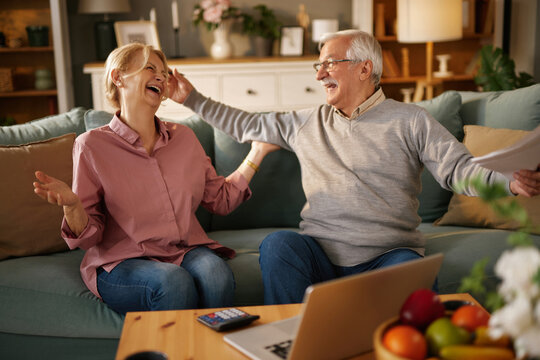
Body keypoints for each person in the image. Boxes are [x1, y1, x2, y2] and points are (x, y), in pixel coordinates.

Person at [167, 30, 540, 305]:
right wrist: (192, 98)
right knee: (279, 244)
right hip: (319, 254)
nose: (319, 74)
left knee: (416, 275)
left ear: (365, 68)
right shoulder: (306, 122)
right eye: (319, 64)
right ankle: (289, 341)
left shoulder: (411, 120)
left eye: (329, 63)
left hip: (388, 255)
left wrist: (508, 182)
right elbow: (244, 125)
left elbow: (457, 169)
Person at [33, 43, 279, 314]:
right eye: (150, 68)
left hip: (184, 250)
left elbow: (220, 200)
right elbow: (90, 237)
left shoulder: (184, 138)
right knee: (173, 281)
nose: (161, 77)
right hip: (122, 260)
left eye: (163, 72)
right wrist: (72, 206)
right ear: (118, 78)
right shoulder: (91, 145)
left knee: (215, 273)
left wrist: (257, 152)